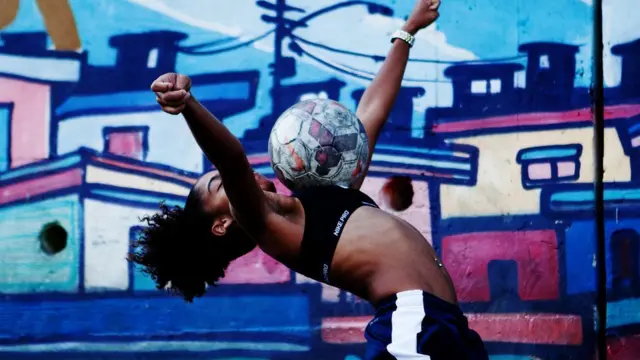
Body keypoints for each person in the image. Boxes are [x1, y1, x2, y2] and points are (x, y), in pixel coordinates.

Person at [128, 0, 488, 358]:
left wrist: (406, 31)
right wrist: (187, 103)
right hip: (411, 324)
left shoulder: (329, 196)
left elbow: (370, 115)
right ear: (222, 223)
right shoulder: (269, 227)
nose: (239, 177)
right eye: (220, 184)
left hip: (447, 324)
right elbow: (231, 158)